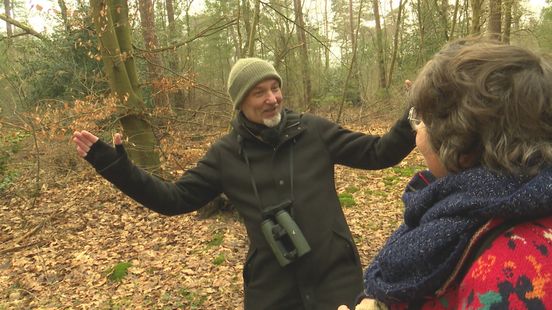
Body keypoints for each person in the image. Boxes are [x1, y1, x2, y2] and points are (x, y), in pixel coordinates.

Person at [73, 57, 415, 310]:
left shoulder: (314, 131)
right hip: (273, 289)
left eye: (275, 88)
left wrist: (415, 114)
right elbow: (172, 199)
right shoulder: (224, 155)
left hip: (334, 277)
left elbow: (378, 153)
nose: (272, 98)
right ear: (240, 102)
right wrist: (116, 167)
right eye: (259, 92)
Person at [340, 38, 552, 310]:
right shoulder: (470, 208)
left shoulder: (514, 272)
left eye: (421, 120)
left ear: (460, 146)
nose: (417, 131)